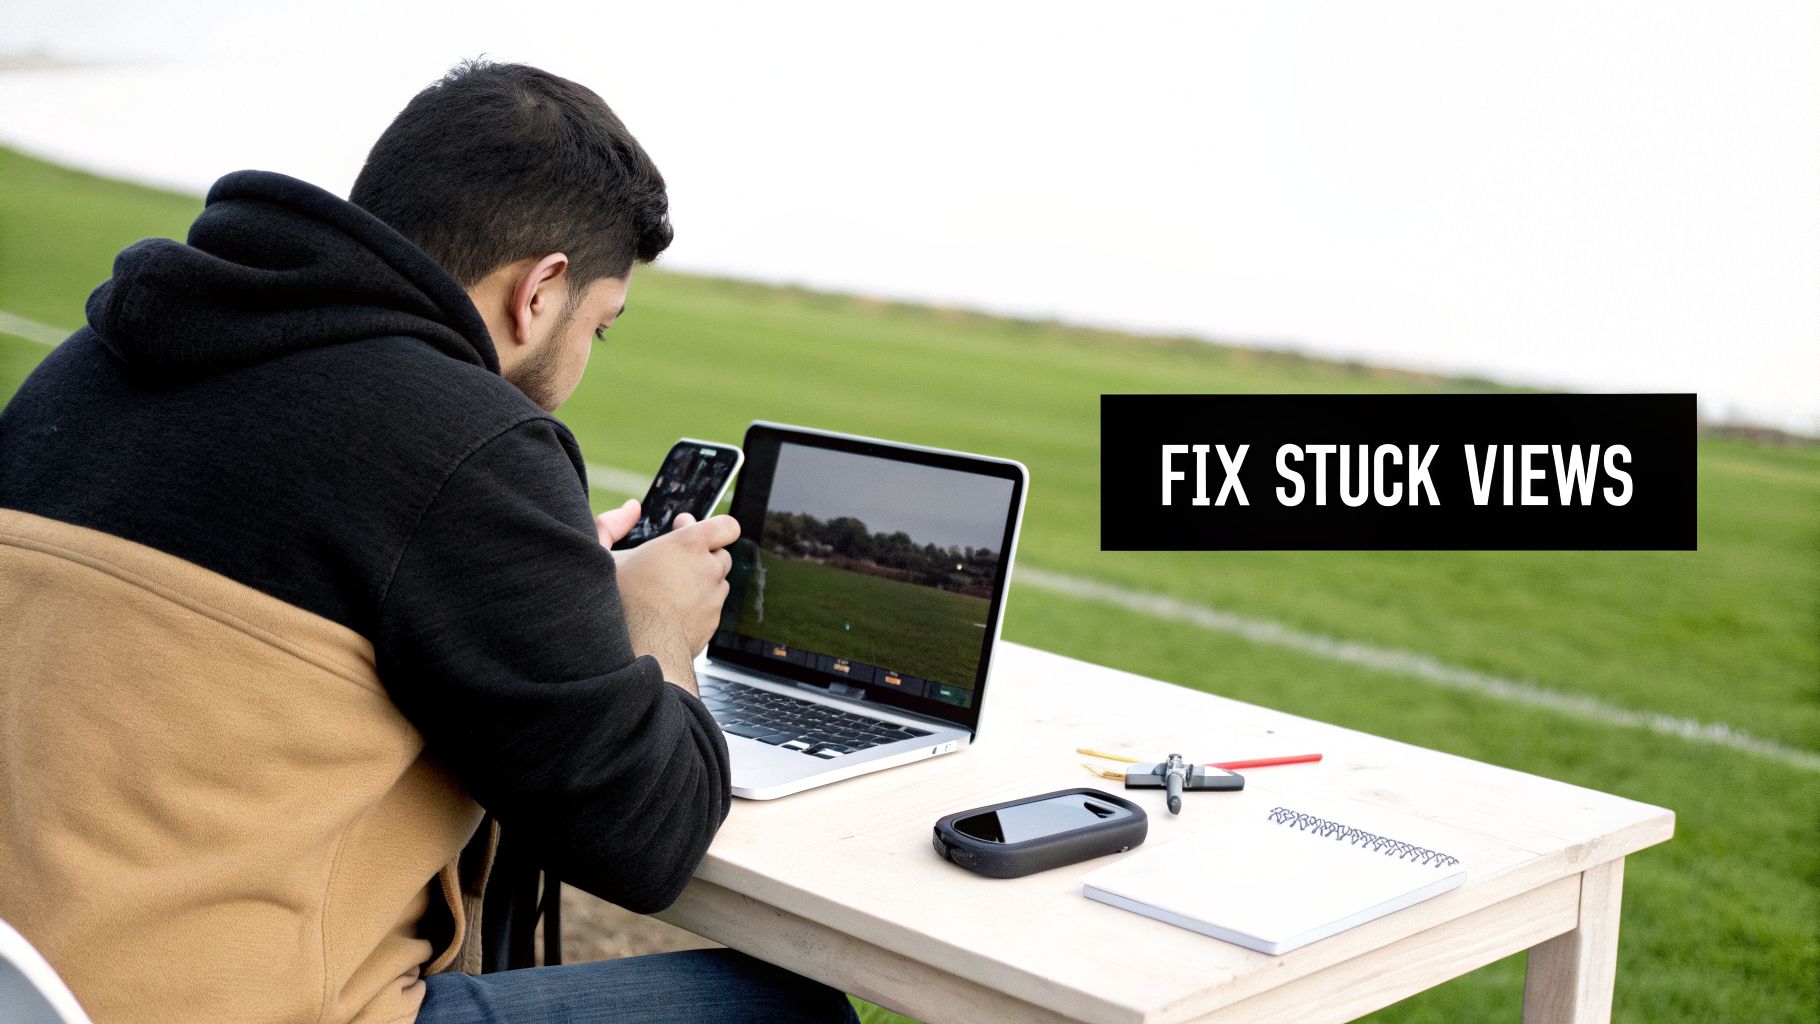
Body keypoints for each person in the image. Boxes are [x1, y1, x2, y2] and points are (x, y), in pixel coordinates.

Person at [0, 59, 860, 1024]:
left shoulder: (82, 370)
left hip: (23, 988)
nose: (584, 359)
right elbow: (648, 837)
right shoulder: (473, 444)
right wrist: (656, 627)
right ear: (541, 291)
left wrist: (547, 572)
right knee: (789, 1011)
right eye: (601, 328)